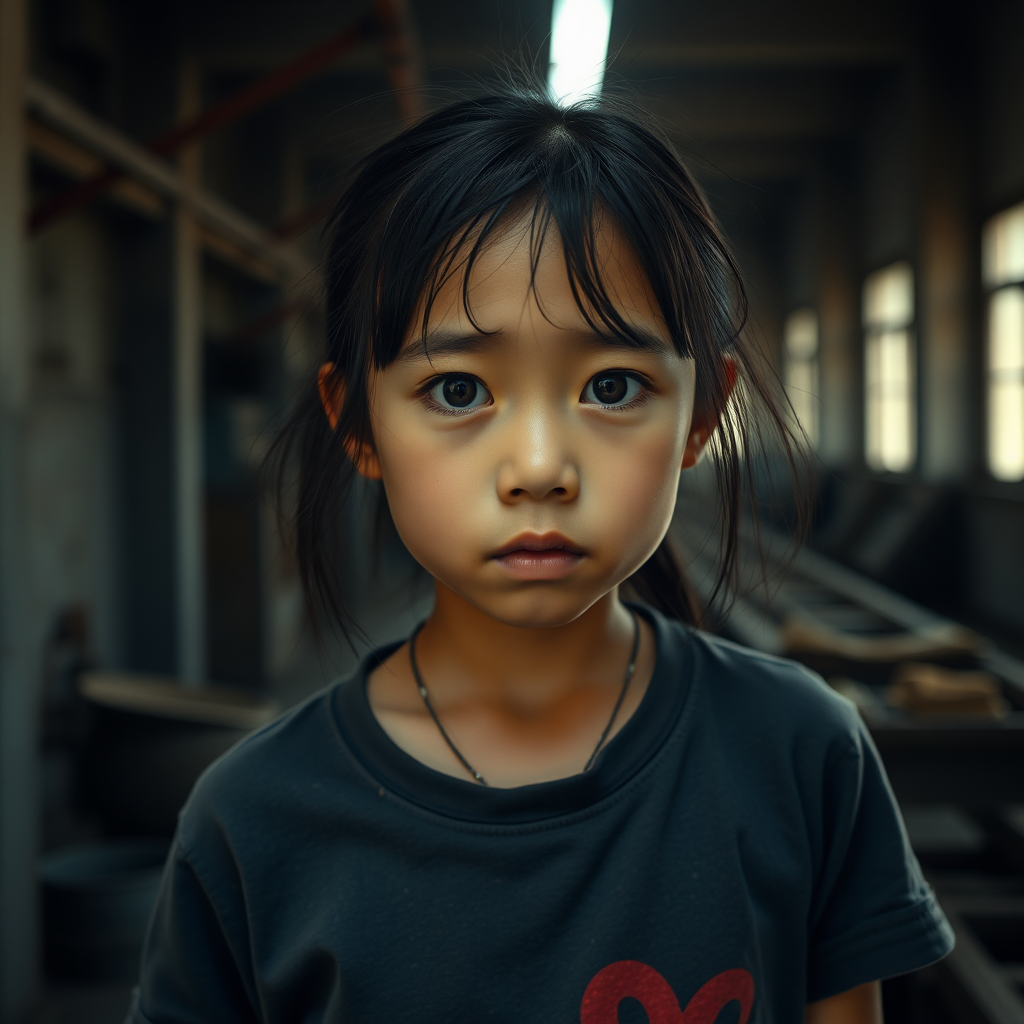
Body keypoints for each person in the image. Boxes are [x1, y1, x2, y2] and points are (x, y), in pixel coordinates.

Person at [127, 91, 953, 1024]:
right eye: (456, 389)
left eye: (610, 386)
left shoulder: (803, 754)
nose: (537, 469)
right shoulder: (253, 820)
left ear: (701, 415)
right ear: (357, 422)